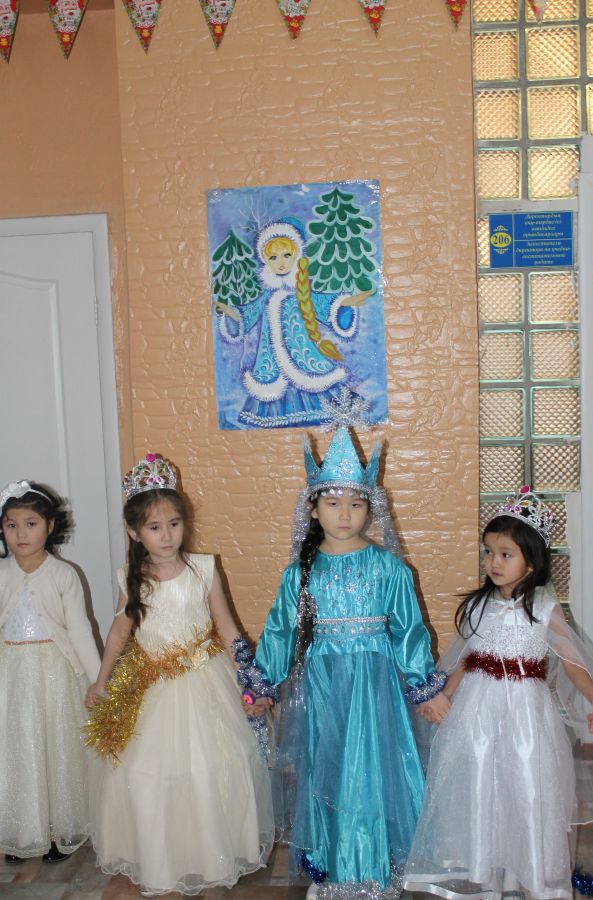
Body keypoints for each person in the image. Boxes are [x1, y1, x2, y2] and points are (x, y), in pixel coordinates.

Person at [251, 426, 449, 899]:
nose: (345, 514)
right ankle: (335, 866)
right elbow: (279, 631)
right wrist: (262, 684)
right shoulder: (299, 574)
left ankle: (371, 870)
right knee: (330, 769)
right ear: (313, 508)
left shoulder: (389, 568)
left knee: (371, 771)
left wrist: (423, 685)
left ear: (370, 508)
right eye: (333, 502)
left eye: (356, 504)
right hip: (324, 686)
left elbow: (409, 630)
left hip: (376, 687)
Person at [85, 453, 275, 897]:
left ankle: (211, 855)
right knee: (147, 772)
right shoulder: (130, 578)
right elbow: (119, 633)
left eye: (174, 523)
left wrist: (250, 679)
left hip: (206, 682)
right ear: (134, 532)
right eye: (154, 527)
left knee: (210, 768)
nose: (167, 535)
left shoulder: (203, 569)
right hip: (153, 689)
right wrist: (101, 680)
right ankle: (165, 858)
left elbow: (227, 628)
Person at [403, 486, 593, 900]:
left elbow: (572, 662)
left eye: (506, 554)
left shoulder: (544, 608)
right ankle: (483, 866)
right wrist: (446, 695)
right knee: (480, 779)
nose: (493, 562)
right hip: (478, 708)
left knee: (526, 781)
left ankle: (526, 868)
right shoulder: (479, 606)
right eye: (489, 552)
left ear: (532, 562)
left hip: (526, 711)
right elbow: (465, 659)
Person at [0, 479, 100, 863]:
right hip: (11, 676)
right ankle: (22, 832)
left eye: (31, 524)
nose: (21, 533)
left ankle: (60, 829)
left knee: (57, 751)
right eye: (11, 525)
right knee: (18, 751)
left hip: (55, 676)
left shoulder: (63, 574)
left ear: (50, 526)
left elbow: (80, 630)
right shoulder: (2, 573)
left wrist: (98, 681)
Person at [215, 218, 372, 428]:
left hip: (303, 356)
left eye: (286, 255)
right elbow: (246, 315)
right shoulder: (266, 297)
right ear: (265, 261)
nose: (281, 262)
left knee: (313, 381)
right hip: (271, 361)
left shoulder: (301, 293)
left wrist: (346, 303)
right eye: (273, 257)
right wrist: (228, 312)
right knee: (271, 388)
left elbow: (326, 305)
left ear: (296, 256)